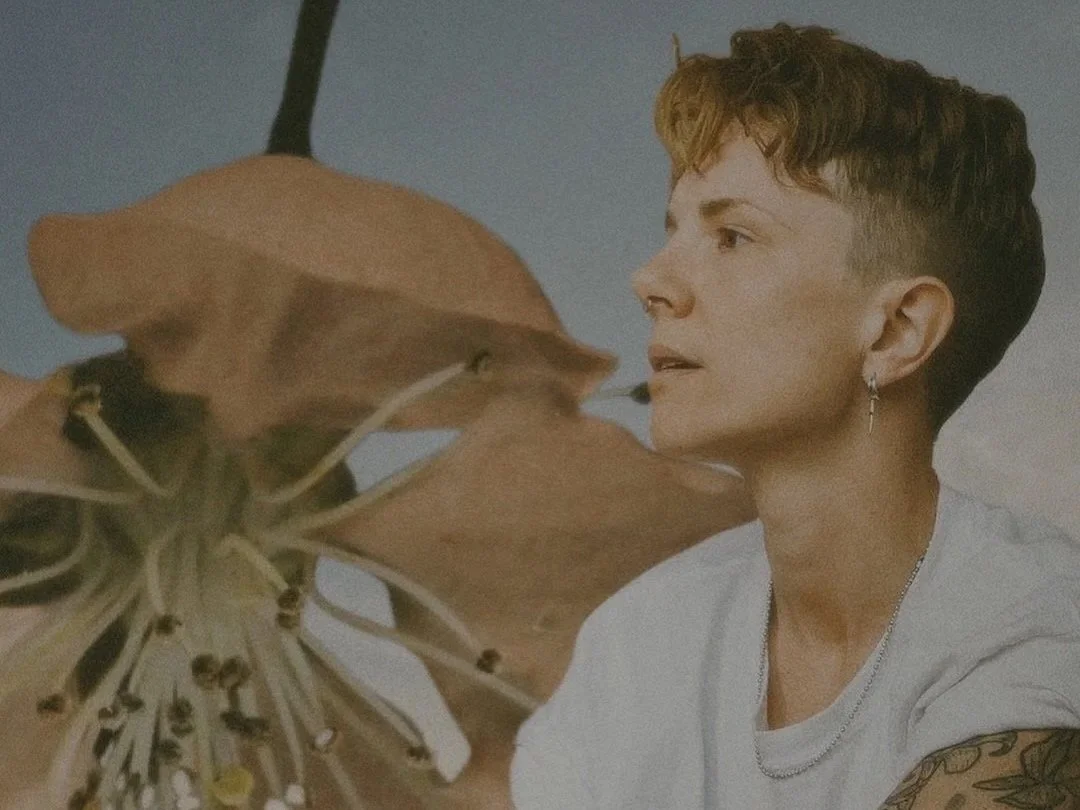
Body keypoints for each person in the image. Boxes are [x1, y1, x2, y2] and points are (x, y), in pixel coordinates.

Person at [510, 23, 1080, 810]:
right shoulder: (640, 638)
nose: (651, 280)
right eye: (674, 229)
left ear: (896, 331)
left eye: (732, 236)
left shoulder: (1039, 624)